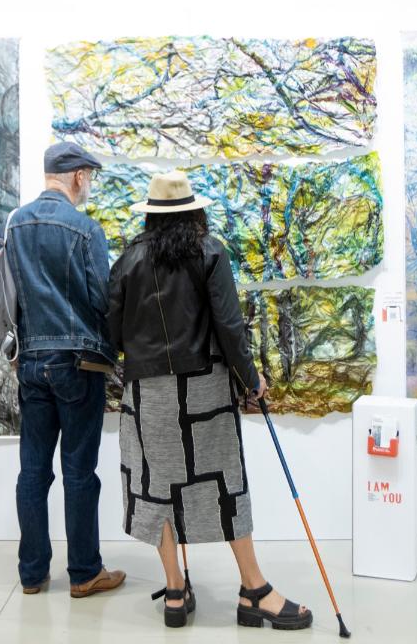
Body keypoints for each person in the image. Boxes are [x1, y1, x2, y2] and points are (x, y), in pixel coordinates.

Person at [107, 171, 313, 631]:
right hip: (204, 387)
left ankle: (175, 591)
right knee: (225, 481)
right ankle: (254, 588)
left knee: (157, 486)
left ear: (151, 216)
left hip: (147, 391)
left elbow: (113, 334)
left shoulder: (128, 260)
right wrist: (251, 379)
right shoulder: (210, 251)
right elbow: (229, 325)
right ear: (194, 212)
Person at [6, 142, 125, 598]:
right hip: (78, 362)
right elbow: (103, 298)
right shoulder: (85, 229)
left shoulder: (16, 225)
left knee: (33, 471)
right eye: (88, 176)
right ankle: (84, 572)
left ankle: (33, 573)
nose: (88, 184)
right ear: (77, 176)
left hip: (31, 360)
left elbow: (8, 292)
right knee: (79, 471)